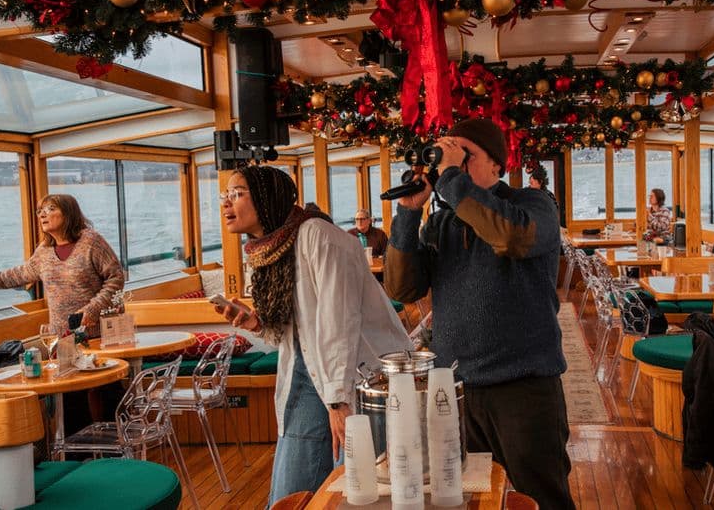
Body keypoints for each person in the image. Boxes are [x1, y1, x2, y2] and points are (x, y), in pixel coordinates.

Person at [384, 118, 575, 509]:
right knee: (470, 497)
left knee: (541, 497)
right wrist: (407, 215)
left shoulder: (532, 205)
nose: (450, 166)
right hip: (456, 389)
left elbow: (510, 236)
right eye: (446, 157)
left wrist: (452, 178)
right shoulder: (442, 222)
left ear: (497, 165)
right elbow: (402, 289)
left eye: (464, 155)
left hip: (522, 388)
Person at [216, 165, 412, 505]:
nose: (226, 203)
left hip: (360, 375)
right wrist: (257, 325)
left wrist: (338, 401)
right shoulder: (270, 252)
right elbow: (297, 336)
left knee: (355, 487)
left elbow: (340, 321)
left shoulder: (317, 235)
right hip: (309, 377)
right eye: (225, 195)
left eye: (237, 194)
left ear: (266, 199)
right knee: (291, 490)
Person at [0, 194, 124, 337]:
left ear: (68, 214)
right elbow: (13, 276)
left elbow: (116, 278)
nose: (42, 215)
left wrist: (94, 309)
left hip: (100, 333)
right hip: (62, 339)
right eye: (40, 211)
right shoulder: (44, 251)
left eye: (50, 209)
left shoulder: (91, 241)